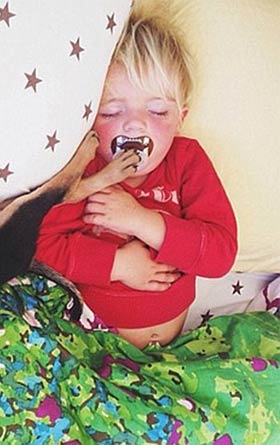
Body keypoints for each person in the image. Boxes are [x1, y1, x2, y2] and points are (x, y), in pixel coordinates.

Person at [35, 10, 237, 348]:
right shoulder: (84, 169)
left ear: (179, 119)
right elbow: (43, 248)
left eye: (158, 111)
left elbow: (221, 252)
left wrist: (143, 222)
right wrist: (118, 265)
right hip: (93, 344)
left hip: (175, 347)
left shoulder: (186, 160)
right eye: (112, 112)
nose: (135, 125)